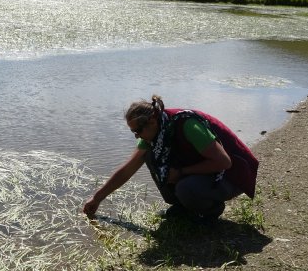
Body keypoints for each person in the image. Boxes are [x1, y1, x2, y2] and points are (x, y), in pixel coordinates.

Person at [82, 95, 259, 223]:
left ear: (151, 121)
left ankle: (211, 210)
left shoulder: (187, 124)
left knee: (184, 187)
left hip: (233, 176)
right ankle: (183, 206)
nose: (137, 136)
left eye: (138, 131)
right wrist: (97, 198)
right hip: (209, 172)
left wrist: (181, 172)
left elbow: (224, 162)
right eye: (133, 132)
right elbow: (127, 170)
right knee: (150, 156)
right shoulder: (156, 134)